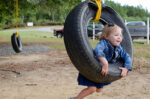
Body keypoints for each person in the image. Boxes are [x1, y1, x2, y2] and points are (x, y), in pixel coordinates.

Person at [70, 24, 132, 99]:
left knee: (99, 90)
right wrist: (104, 62)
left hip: (101, 72)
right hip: (91, 69)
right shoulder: (103, 43)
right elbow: (98, 50)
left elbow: (127, 57)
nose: (119, 37)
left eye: (120, 35)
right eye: (116, 35)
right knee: (92, 89)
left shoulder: (119, 48)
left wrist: (126, 68)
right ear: (106, 36)